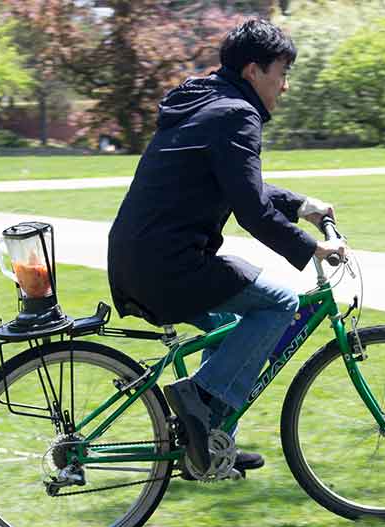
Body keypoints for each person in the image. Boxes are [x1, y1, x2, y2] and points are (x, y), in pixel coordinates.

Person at [107, 19, 346, 476]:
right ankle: (198, 399)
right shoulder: (238, 113)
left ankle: (212, 446)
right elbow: (251, 210)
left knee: (230, 319)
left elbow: (237, 182)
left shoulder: (208, 101)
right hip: (168, 265)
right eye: (282, 72)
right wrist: (310, 249)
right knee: (280, 302)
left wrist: (302, 206)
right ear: (255, 70)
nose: (286, 86)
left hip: (139, 258)